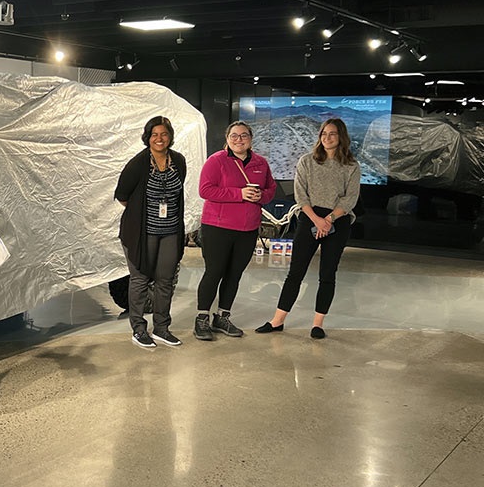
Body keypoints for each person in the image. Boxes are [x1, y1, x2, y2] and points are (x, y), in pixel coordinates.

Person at [256, 118, 360, 340]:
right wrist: (317, 220)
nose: (327, 137)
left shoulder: (351, 166)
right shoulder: (307, 161)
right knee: (295, 272)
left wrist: (329, 219)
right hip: (309, 218)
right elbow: (301, 195)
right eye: (324, 133)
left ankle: (318, 324)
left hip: (338, 221)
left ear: (341, 137)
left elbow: (350, 198)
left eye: (332, 133)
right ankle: (278, 320)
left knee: (327, 274)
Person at [194, 121, 276, 340]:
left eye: (244, 136)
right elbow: (205, 190)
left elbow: (271, 189)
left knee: (234, 274)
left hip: (248, 229)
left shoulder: (261, 163)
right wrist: (239, 194)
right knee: (214, 272)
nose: (239, 140)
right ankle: (201, 319)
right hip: (217, 227)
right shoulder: (216, 161)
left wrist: (262, 197)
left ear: (251, 138)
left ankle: (222, 317)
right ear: (227, 138)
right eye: (234, 136)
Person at [114, 115, 187, 349]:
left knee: (165, 280)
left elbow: (177, 192)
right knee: (140, 279)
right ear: (148, 137)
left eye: (164, 134)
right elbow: (122, 195)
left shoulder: (178, 161)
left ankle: (162, 328)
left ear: (170, 137)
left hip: (170, 231)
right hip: (141, 233)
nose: (159, 138)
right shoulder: (138, 163)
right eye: (154, 134)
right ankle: (138, 328)